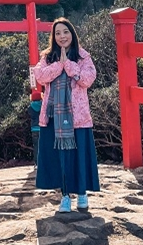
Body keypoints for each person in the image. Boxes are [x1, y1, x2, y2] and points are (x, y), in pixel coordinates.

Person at [33, 17, 100, 213]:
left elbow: (87, 79)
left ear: (72, 33)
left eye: (66, 32)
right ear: (53, 37)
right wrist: (59, 65)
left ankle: (82, 194)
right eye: (58, 33)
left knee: (79, 157)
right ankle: (64, 196)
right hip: (54, 118)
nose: (62, 36)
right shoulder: (47, 57)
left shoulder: (83, 56)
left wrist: (69, 65)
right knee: (60, 158)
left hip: (78, 118)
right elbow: (40, 76)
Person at [29, 89, 42, 168]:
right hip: (42, 128)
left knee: (36, 146)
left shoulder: (30, 108)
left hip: (34, 129)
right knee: (43, 146)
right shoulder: (43, 106)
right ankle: (43, 162)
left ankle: (36, 163)